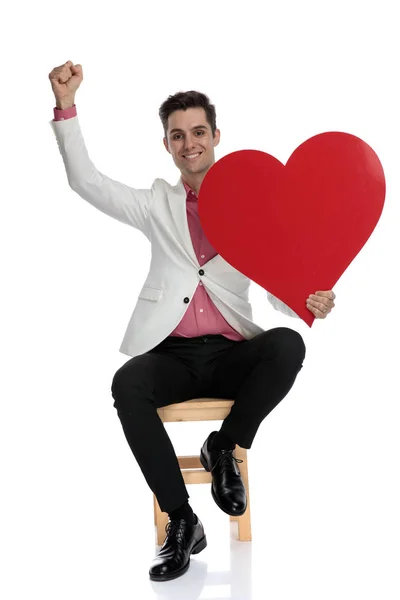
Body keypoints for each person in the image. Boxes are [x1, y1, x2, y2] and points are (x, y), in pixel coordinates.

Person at [48, 60, 336, 582]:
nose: (189, 143)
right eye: (177, 136)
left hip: (231, 353)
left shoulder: (253, 206)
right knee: (127, 383)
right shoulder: (155, 204)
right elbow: (85, 180)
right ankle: (182, 521)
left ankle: (224, 445)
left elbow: (279, 287)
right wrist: (65, 105)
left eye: (198, 131)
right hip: (173, 356)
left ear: (216, 135)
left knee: (289, 344)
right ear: (167, 145)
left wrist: (307, 301)